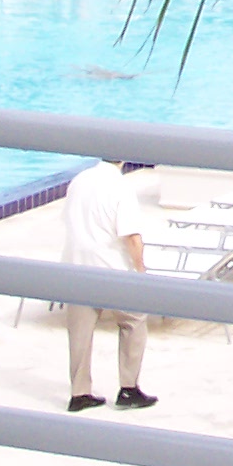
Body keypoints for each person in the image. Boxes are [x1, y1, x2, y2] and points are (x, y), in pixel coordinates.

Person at [61, 158, 158, 412]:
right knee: (133, 321)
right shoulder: (120, 186)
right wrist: (140, 269)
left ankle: (79, 393)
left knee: (80, 333)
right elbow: (131, 236)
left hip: (76, 266)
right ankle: (128, 388)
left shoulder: (79, 180)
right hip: (110, 270)